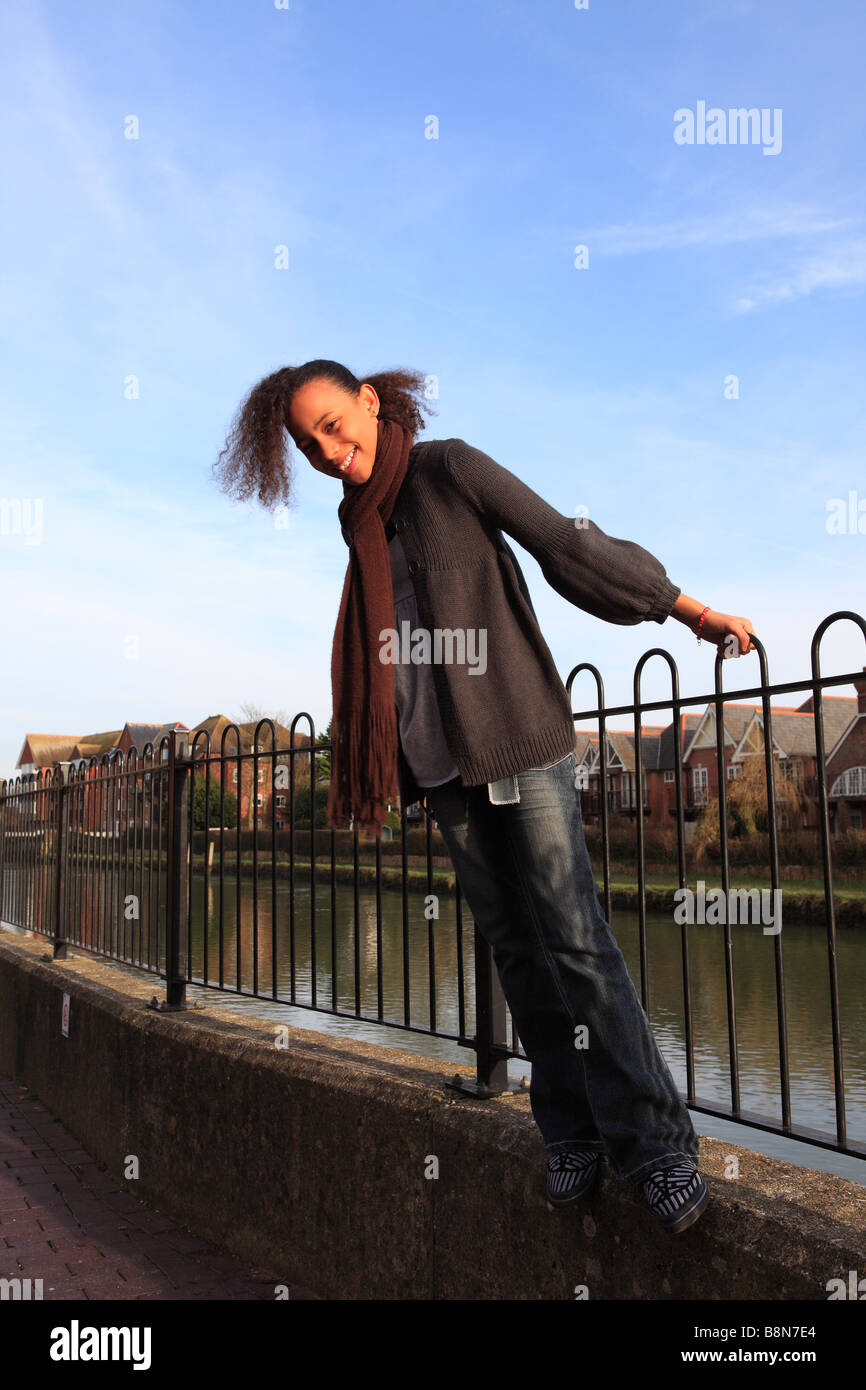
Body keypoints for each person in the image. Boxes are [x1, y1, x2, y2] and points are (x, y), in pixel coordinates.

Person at [213, 359, 756, 1236]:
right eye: (307, 442)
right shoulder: (360, 523)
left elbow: (565, 543)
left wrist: (686, 611)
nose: (326, 449)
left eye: (333, 424)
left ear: (370, 402)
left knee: (575, 942)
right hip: (441, 768)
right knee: (515, 952)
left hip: (518, 741)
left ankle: (656, 1148)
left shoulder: (448, 469)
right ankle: (570, 1131)